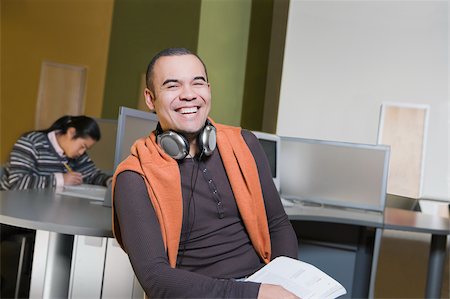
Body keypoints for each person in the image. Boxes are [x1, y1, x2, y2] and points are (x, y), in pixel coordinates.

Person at [112, 48, 300, 298]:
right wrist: (254, 294)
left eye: (197, 83)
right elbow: (154, 277)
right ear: (150, 98)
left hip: (263, 284)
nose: (188, 95)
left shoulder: (244, 144)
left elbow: (277, 223)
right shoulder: (134, 176)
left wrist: (284, 282)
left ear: (208, 90)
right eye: (172, 86)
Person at [0, 115, 112, 190]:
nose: (82, 152)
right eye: (82, 146)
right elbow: (17, 183)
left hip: (43, 208)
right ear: (71, 132)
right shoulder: (31, 143)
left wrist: (110, 181)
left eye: (86, 149)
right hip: (13, 213)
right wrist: (61, 179)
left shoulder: (76, 154)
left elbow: (92, 175)